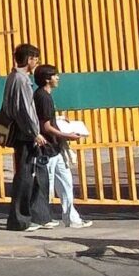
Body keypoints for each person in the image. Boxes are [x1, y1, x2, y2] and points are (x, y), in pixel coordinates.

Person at [2, 43, 54, 232]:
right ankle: (20, 219)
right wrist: (35, 132)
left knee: (30, 174)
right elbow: (24, 110)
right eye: (35, 59)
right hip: (25, 135)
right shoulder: (21, 80)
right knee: (24, 176)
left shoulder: (14, 77)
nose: (36, 63)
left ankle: (36, 216)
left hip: (24, 133)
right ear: (29, 59)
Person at [33, 65, 91, 229]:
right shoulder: (43, 97)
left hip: (55, 148)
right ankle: (41, 217)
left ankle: (72, 218)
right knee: (47, 184)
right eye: (55, 76)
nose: (58, 78)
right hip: (47, 148)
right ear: (47, 79)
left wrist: (58, 118)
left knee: (66, 183)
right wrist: (68, 135)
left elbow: (46, 119)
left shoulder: (45, 96)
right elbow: (45, 127)